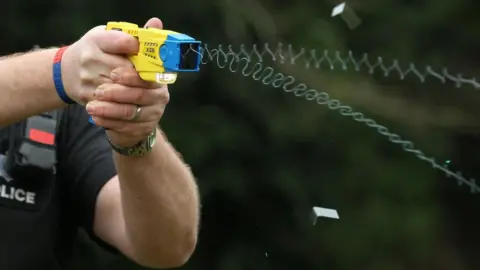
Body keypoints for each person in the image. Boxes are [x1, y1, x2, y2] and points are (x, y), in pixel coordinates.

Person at [0, 17, 200, 270]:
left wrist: (135, 137)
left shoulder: (62, 112)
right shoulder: (59, 89)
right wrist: (61, 71)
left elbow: (169, 246)